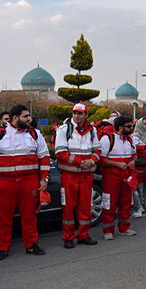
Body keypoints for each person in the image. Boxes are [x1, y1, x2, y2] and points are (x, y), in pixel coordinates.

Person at [0, 105, 50, 260]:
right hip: (5, 183)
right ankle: (2, 249)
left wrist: (44, 179)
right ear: (15, 118)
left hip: (29, 181)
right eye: (25, 116)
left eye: (28, 116)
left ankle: (31, 245)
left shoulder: (35, 133)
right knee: (3, 218)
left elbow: (44, 157)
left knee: (30, 216)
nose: (29, 119)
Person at [54, 103, 100, 248]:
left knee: (86, 206)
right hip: (69, 176)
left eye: (80, 113)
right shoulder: (64, 129)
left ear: (86, 115)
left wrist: (92, 160)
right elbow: (60, 152)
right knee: (68, 207)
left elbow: (97, 150)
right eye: (74, 113)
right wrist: (81, 162)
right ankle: (68, 237)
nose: (76, 116)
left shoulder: (92, 130)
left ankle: (83, 235)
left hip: (86, 175)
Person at [99, 116, 138, 239]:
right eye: (129, 126)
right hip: (111, 178)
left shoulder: (130, 140)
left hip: (126, 178)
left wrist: (133, 161)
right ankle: (108, 230)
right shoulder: (107, 140)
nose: (131, 128)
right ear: (120, 127)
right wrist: (117, 164)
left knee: (125, 204)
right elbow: (101, 159)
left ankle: (124, 228)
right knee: (109, 204)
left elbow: (134, 155)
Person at [132, 117, 146, 217]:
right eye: (145, 124)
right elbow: (135, 148)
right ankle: (139, 207)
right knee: (139, 187)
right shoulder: (135, 136)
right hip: (140, 164)